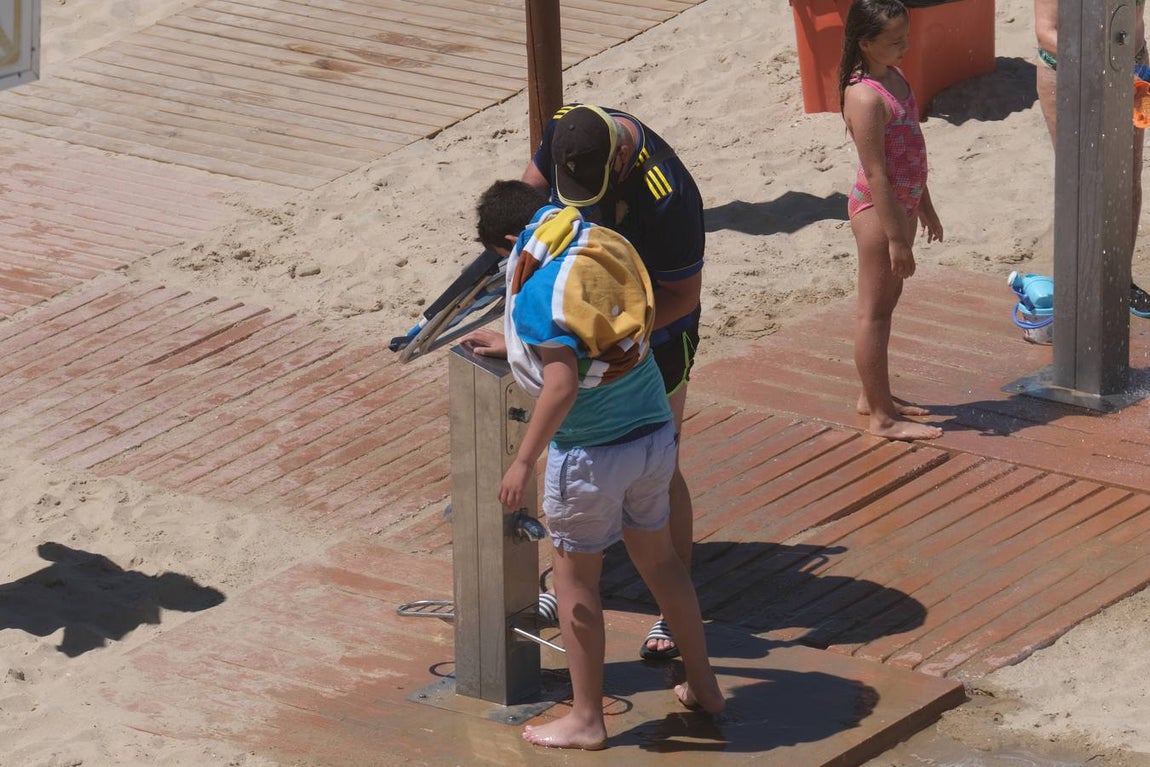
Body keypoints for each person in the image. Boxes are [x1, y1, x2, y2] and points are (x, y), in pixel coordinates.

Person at [462, 180, 725, 750]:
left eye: (505, 257)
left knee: (575, 581)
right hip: (654, 436)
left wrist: (524, 462)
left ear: (514, 240)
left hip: (590, 456)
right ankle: (703, 683)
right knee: (662, 565)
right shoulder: (602, 249)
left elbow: (560, 384)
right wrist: (517, 344)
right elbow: (592, 335)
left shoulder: (536, 297)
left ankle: (586, 718)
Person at [523, 103, 704, 659]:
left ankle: (672, 614)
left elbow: (683, 296)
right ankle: (558, 581)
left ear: (622, 158)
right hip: (584, 324)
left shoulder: (668, 193)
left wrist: (610, 339)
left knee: (661, 464)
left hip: (656, 335)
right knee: (567, 447)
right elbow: (530, 198)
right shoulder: (565, 128)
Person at [838, 0, 944, 442]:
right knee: (874, 315)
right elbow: (878, 171)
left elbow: (910, 154)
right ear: (866, 43)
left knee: (886, 308)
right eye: (896, 41)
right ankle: (881, 417)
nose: (905, 46)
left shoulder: (893, 78)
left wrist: (925, 206)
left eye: (906, 37)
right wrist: (897, 238)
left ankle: (873, 397)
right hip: (879, 215)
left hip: (902, 207)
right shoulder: (863, 95)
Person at [1034, 0, 1150, 316]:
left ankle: (1119, 281)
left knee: (1127, 181)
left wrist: (1130, 67)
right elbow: (1047, 33)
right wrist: (1105, 62)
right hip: (1068, 72)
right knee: (1081, 184)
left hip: (1132, 67)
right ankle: (1081, 285)